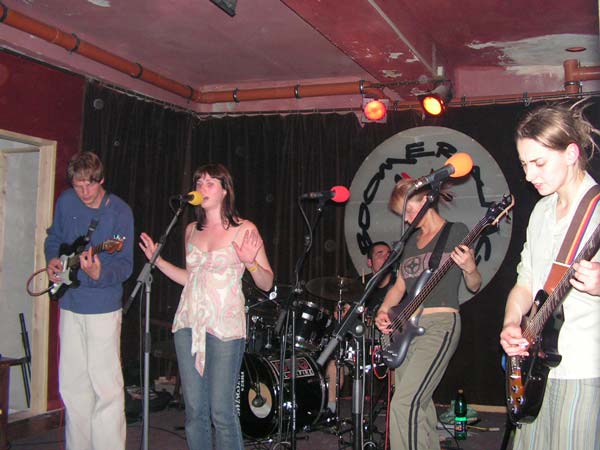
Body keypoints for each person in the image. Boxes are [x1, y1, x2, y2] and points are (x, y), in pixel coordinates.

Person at [139, 163, 273, 450]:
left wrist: (250, 263)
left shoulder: (245, 229)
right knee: (194, 411)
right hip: (188, 323)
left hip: (224, 326)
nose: (202, 187)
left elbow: (267, 282)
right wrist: (157, 262)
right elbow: (191, 278)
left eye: (211, 182)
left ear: (225, 191)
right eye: (199, 182)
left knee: (221, 412)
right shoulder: (190, 230)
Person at [500, 103, 600, 450]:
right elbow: (526, 280)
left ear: (571, 154)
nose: (529, 175)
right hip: (535, 364)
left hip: (584, 365)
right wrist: (511, 323)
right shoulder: (541, 211)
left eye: (539, 163)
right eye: (524, 164)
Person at [375, 178, 482, 450]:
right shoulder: (410, 243)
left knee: (404, 403)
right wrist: (383, 311)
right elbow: (399, 286)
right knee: (419, 405)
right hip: (406, 329)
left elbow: (474, 284)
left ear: (426, 201)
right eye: (403, 214)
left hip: (439, 323)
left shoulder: (456, 231)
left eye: (410, 210)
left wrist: (470, 268)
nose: (407, 219)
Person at [45, 152, 134, 450]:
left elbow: (125, 265)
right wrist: (52, 258)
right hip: (70, 303)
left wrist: (99, 272)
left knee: (106, 388)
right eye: (78, 185)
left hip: (102, 306)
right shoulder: (66, 201)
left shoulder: (119, 212)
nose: (83, 192)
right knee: (73, 385)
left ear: (101, 180)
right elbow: (54, 237)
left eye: (90, 185)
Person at [323, 241, 394, 418]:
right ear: (369, 262)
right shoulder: (358, 285)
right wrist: (342, 311)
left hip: (387, 342)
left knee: (397, 363)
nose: (386, 257)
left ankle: (396, 408)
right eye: (380, 254)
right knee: (334, 364)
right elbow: (343, 311)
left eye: (388, 254)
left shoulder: (398, 286)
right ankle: (330, 409)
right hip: (360, 342)